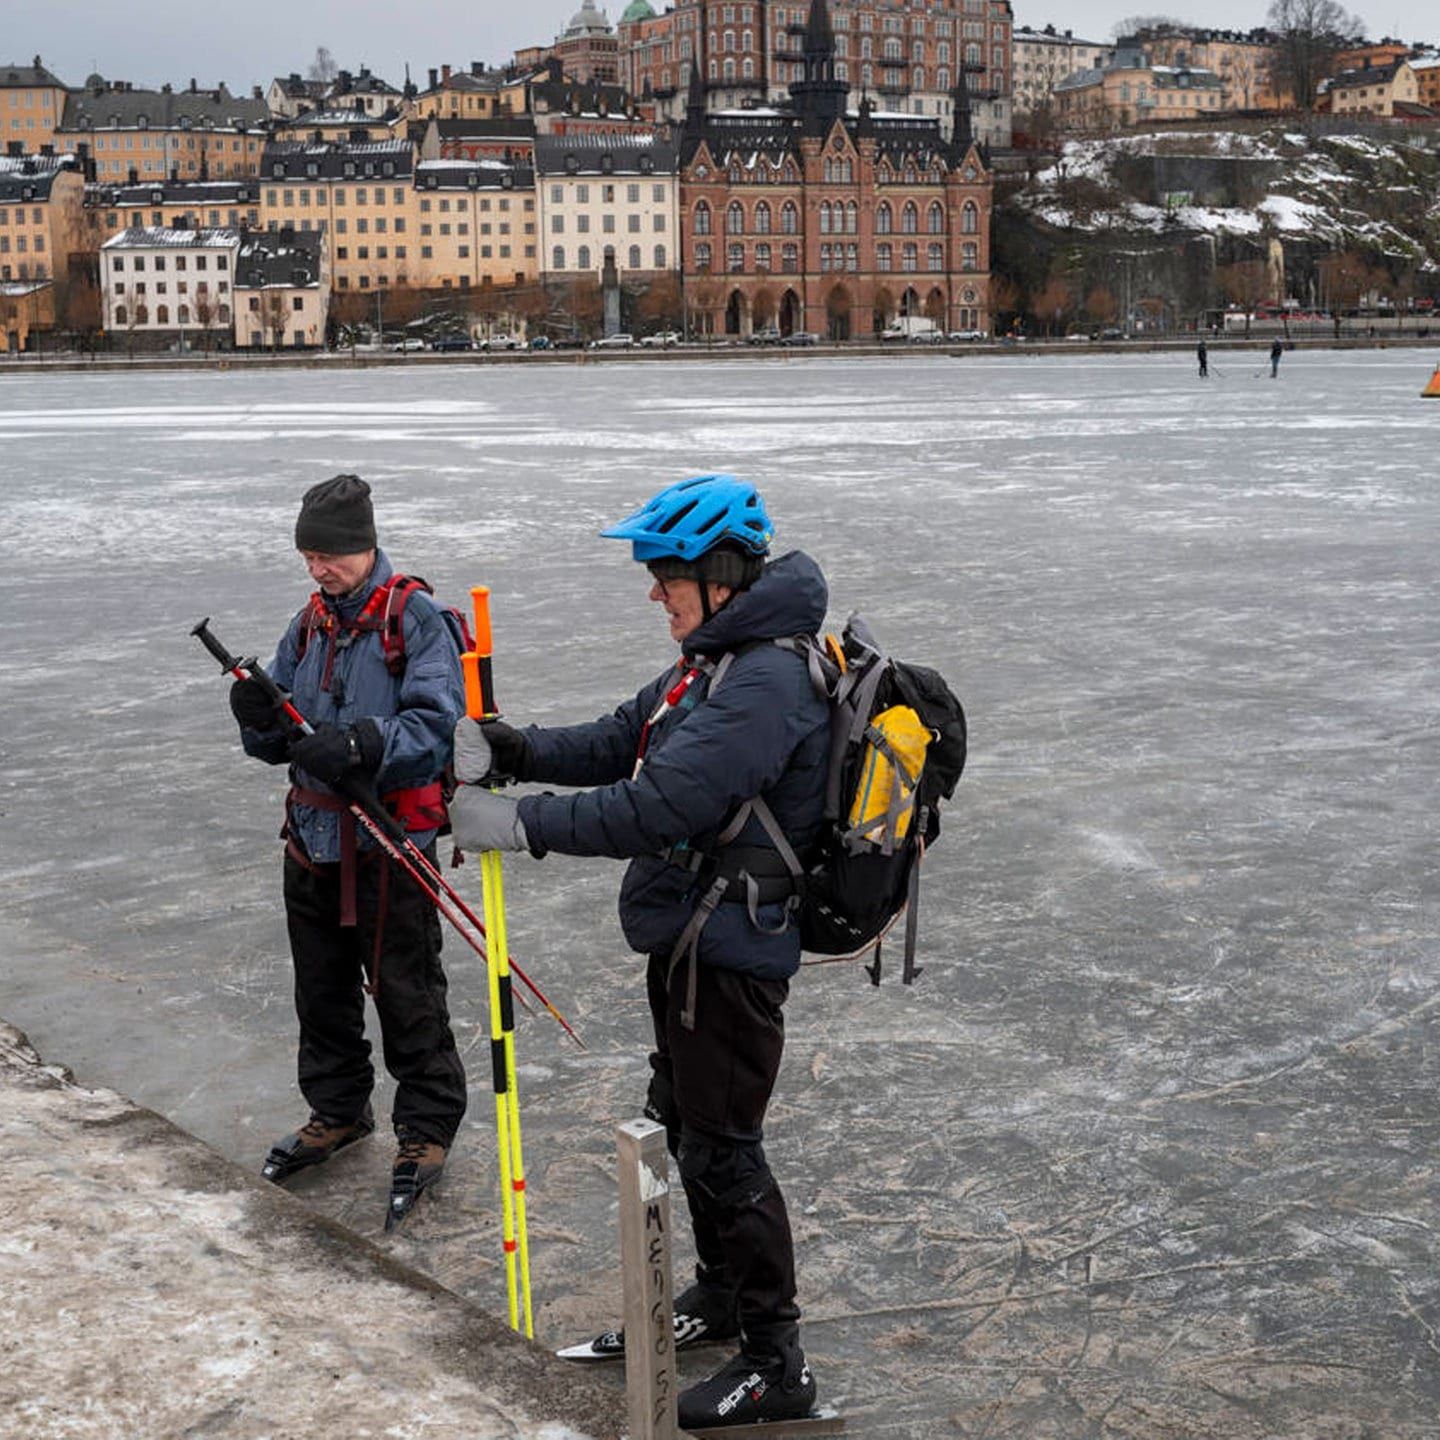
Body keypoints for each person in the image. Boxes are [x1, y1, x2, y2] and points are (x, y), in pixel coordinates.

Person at [449, 474, 828, 1430]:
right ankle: (722, 1292)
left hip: (735, 954)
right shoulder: (715, 662)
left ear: (723, 574)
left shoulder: (769, 679)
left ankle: (776, 1361)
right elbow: (624, 741)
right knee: (688, 1125)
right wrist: (515, 747)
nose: (654, 594)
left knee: (726, 1150)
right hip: (692, 938)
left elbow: (661, 806)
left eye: (667, 576)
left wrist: (519, 825)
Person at [228, 474, 468, 1231]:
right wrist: (256, 720)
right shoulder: (307, 625)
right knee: (321, 989)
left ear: (364, 546)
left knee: (406, 989)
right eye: (308, 556)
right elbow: (283, 738)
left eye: (328, 556)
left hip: (388, 844)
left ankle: (425, 1131)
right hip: (313, 840)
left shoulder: (415, 619)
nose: (317, 570)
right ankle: (337, 1110)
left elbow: (437, 725)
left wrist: (365, 741)